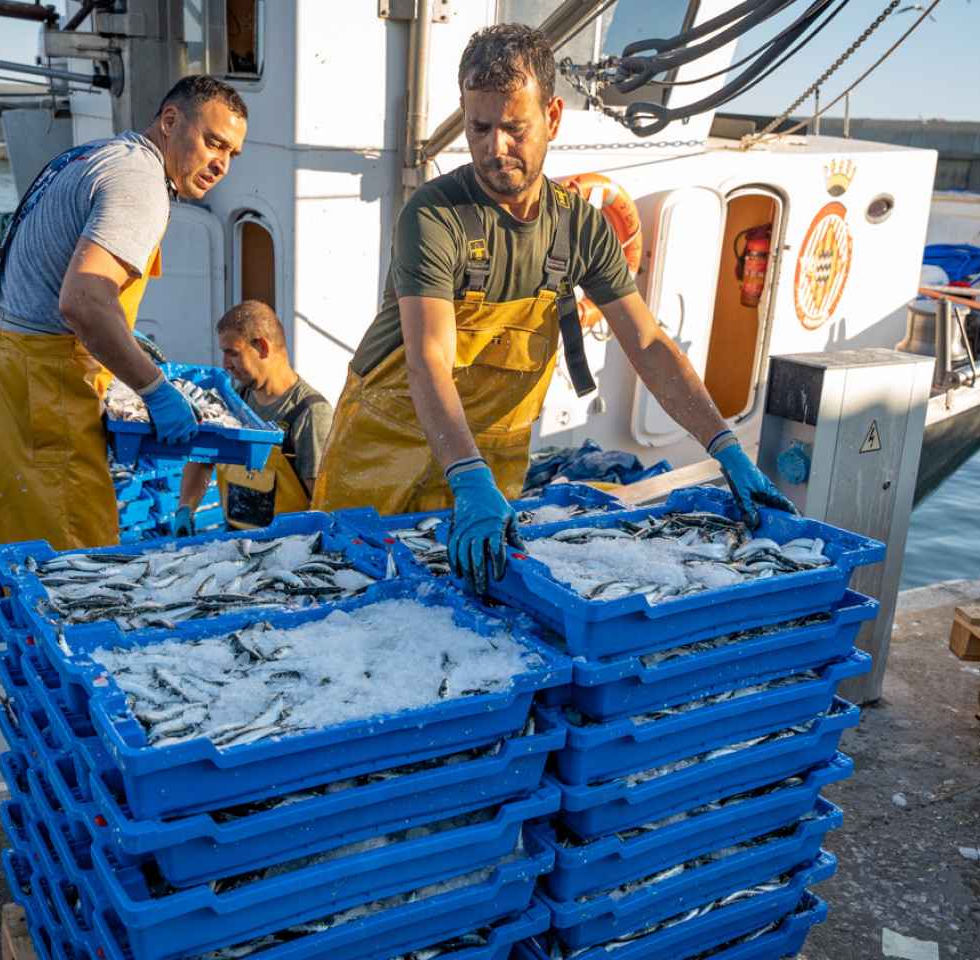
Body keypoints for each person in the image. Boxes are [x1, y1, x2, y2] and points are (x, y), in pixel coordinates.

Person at [313, 25, 794, 591]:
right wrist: (467, 477)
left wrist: (726, 449)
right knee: (351, 592)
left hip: (494, 459)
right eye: (479, 127)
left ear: (554, 117)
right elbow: (429, 360)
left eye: (514, 128)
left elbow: (647, 343)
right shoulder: (434, 216)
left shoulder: (579, 225)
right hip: (383, 450)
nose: (495, 147)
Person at [0, 75, 248, 551]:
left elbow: (59, 283)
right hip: (40, 384)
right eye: (212, 142)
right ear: (171, 120)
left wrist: (123, 339)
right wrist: (154, 389)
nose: (220, 163)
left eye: (231, 154)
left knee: (29, 540)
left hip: (4, 369)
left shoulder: (96, 154)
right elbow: (83, 301)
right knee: (77, 562)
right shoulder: (141, 184)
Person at [173, 301, 332, 534]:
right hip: (235, 538)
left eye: (233, 353)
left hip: (286, 547)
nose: (226, 365)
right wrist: (186, 508)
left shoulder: (310, 413)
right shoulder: (237, 400)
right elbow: (203, 459)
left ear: (262, 347)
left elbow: (322, 502)